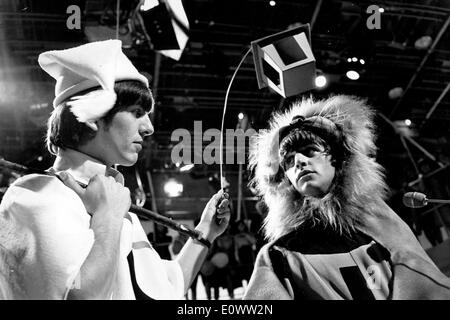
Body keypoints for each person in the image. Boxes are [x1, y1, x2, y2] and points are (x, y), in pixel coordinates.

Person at [0, 40, 230, 300]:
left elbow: (167, 289)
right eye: (137, 112)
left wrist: (205, 233)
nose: (149, 127)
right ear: (93, 115)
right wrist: (107, 218)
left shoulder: (115, 201)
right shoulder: (34, 196)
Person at [244, 95, 450, 299]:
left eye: (310, 150)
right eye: (288, 161)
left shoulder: (383, 225)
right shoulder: (278, 257)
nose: (299, 162)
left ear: (338, 158)